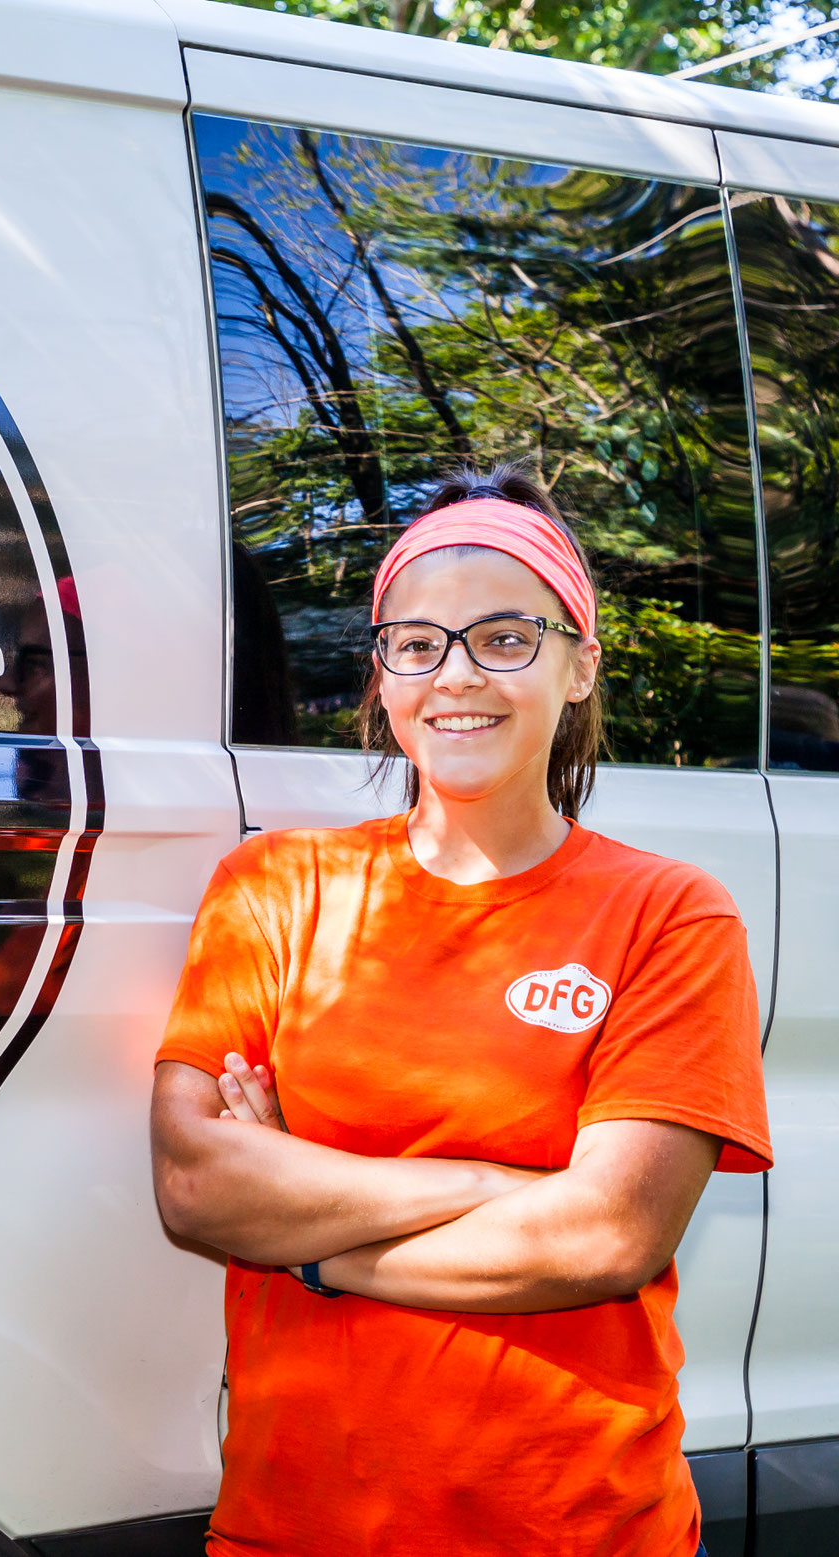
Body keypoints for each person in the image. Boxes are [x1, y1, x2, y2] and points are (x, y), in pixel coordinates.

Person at [150, 463, 771, 1557]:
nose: (456, 675)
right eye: (417, 643)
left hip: (578, 1532)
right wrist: (494, 1187)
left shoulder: (669, 913)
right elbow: (198, 1186)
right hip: (295, 1529)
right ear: (382, 674)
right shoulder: (274, 887)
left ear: (579, 666)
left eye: (504, 638)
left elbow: (605, 1234)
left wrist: (308, 1245)